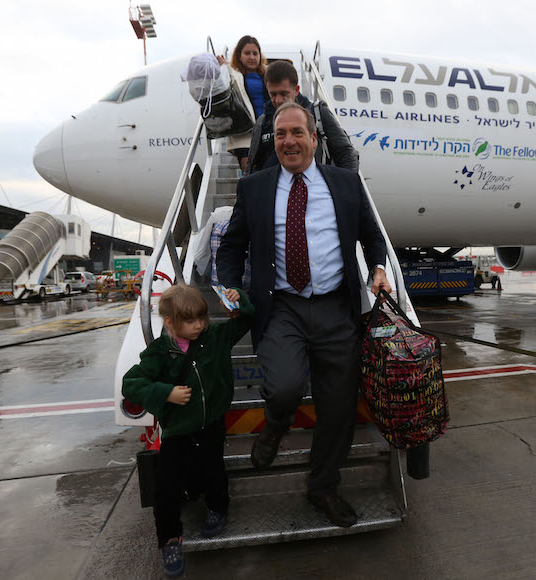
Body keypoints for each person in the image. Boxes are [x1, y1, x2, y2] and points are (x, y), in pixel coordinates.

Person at [216, 102, 391, 528]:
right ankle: (275, 423)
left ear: (315, 138)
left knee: (337, 408)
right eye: (280, 135)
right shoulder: (255, 188)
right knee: (284, 388)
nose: (289, 141)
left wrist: (379, 268)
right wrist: (230, 284)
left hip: (336, 307)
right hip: (282, 307)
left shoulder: (346, 184)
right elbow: (232, 244)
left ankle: (323, 487)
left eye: (297, 133)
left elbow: (371, 235)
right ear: (272, 141)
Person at [122, 283, 255, 577]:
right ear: (169, 321)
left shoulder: (216, 337)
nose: (199, 326)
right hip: (178, 430)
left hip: (212, 424)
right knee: (167, 487)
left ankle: (218, 509)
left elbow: (247, 318)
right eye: (191, 321)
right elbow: (131, 384)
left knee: (213, 471)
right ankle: (170, 539)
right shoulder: (159, 352)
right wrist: (165, 393)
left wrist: (239, 299)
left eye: (202, 319)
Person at [245, 60, 359, 175]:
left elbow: (346, 154)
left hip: (312, 189)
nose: (278, 100)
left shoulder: (317, 114)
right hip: (272, 190)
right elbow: (253, 165)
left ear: (296, 90)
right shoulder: (262, 122)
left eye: (284, 94)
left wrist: (345, 187)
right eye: (273, 94)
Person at [216, 35, 270, 173]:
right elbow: (221, 85)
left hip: (267, 128)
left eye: (255, 53)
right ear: (239, 55)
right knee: (248, 169)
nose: (252, 57)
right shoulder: (234, 75)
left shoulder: (267, 74)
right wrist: (222, 67)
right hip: (245, 132)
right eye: (247, 53)